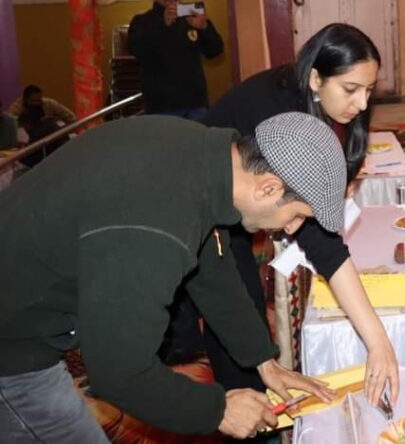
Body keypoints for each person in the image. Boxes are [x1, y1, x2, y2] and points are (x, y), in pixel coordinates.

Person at [0, 112, 349, 441]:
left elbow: (213, 266)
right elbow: (119, 370)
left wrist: (262, 359)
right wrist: (218, 410)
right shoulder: (154, 228)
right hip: (13, 346)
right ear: (268, 188)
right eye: (298, 215)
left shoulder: (206, 160)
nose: (292, 228)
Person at [163, 23, 399, 405]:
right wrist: (378, 341)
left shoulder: (329, 104)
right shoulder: (279, 112)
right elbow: (322, 242)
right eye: (351, 89)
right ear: (316, 78)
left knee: (232, 303)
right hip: (201, 195)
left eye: (369, 90)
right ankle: (245, 406)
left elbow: (314, 222)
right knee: (238, 307)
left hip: (246, 200)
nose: (362, 104)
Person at [127, 0, 224, 119]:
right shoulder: (142, 21)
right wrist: (163, 26)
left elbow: (215, 51)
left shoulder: (191, 17)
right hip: (161, 105)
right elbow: (138, 50)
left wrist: (205, 28)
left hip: (196, 104)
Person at [6, 84, 76, 125]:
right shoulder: (16, 108)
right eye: (33, 101)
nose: (36, 104)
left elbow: (71, 117)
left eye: (39, 100)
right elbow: (11, 126)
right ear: (25, 99)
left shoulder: (49, 104)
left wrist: (62, 131)